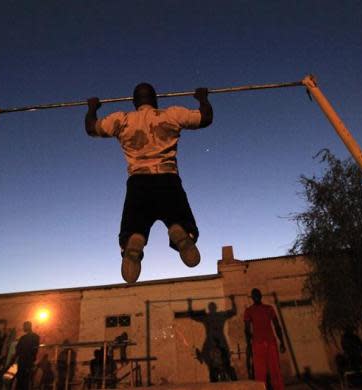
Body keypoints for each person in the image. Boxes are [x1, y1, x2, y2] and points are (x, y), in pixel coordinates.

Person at [85, 82, 213, 283]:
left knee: (133, 227)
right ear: (156, 99)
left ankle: (133, 240)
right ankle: (181, 231)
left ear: (134, 102)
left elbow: (91, 128)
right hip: (168, 180)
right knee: (182, 220)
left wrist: (93, 107)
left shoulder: (122, 120)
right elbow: (205, 118)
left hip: (139, 184)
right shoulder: (171, 114)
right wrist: (202, 98)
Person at [244, 288, 286, 390]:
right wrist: (249, 345)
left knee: (275, 369)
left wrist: (282, 342)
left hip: (270, 342)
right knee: (260, 372)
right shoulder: (248, 311)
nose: (256, 296)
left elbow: (277, 326)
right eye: (255, 295)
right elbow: (246, 330)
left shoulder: (269, 308)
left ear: (261, 296)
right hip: (258, 344)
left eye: (258, 294)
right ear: (252, 298)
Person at [8, 321, 40, 390]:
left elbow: (18, 350)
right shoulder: (36, 337)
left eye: (24, 326)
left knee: (21, 381)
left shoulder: (23, 338)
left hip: (23, 362)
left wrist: (12, 361)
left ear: (27, 326)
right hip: (29, 362)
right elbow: (35, 351)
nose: (23, 328)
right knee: (26, 381)